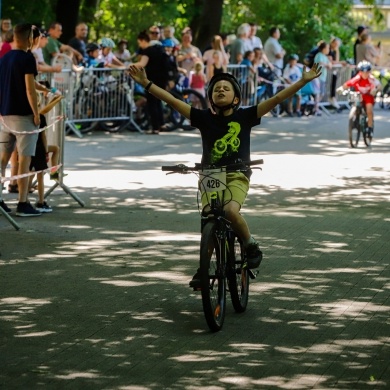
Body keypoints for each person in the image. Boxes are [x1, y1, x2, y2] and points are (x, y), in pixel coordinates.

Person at [127, 62, 322, 288]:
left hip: (237, 174)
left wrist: (303, 81)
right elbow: (172, 100)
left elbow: (277, 99)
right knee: (209, 216)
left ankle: (250, 245)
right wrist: (146, 84)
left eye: (226, 88)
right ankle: (203, 268)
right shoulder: (203, 118)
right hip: (211, 175)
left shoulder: (246, 116)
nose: (220, 90)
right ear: (210, 98)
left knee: (229, 210)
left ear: (236, 98)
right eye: (216, 88)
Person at [0, 23, 42, 216]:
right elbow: (29, 88)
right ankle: (23, 202)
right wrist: (36, 112)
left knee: (2, 159)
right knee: (25, 160)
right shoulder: (28, 58)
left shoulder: (5, 58)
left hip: (4, 115)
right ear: (30, 39)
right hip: (23, 116)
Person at [131, 31, 170, 134]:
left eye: (139, 43)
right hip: (162, 79)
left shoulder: (147, 51)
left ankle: (155, 127)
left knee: (152, 103)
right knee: (158, 102)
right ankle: (162, 124)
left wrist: (128, 66)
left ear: (144, 41)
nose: (140, 45)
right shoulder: (159, 49)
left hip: (152, 79)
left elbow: (142, 63)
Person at [337, 61, 380, 137]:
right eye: (363, 72)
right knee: (355, 103)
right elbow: (348, 83)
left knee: (369, 110)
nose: (365, 74)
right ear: (360, 71)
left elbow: (379, 85)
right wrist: (341, 88)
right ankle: (355, 118)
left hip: (368, 96)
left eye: (367, 72)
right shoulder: (357, 78)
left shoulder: (371, 79)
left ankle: (369, 127)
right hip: (359, 95)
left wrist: (375, 90)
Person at [313, 41, 332, 116]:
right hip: (318, 76)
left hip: (323, 77)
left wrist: (328, 64)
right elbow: (320, 63)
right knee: (318, 93)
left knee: (322, 93)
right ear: (323, 49)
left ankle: (315, 106)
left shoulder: (325, 57)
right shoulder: (319, 55)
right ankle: (316, 108)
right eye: (327, 48)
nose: (328, 50)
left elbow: (329, 64)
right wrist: (327, 64)